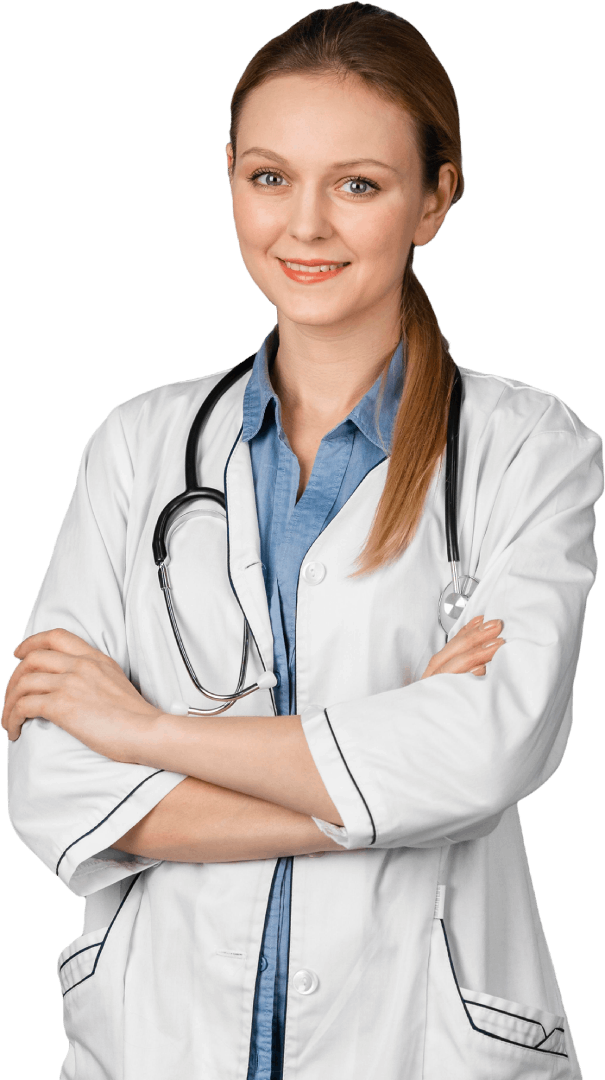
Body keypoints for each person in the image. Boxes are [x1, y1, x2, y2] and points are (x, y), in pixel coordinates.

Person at [3, 4, 600, 1078]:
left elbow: (487, 749)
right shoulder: (138, 446)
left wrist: (145, 730)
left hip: (420, 1041)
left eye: (357, 184)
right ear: (228, 173)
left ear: (435, 198)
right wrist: (388, 788)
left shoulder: (526, 447)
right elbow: (54, 782)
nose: (304, 227)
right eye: (270, 177)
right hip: (159, 1036)